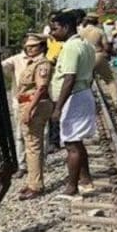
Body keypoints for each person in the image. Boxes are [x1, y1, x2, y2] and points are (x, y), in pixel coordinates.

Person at [51, 10, 97, 199]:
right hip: (83, 94)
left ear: (66, 27)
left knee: (71, 145)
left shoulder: (71, 47)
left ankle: (71, 188)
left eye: (55, 28)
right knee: (77, 141)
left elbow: (69, 78)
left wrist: (58, 107)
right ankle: (86, 180)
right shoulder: (86, 45)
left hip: (74, 97)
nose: (52, 33)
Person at [15, 34, 55, 200]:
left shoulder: (42, 64)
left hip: (34, 105)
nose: (30, 49)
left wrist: (29, 109)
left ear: (42, 46)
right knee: (31, 145)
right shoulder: (33, 63)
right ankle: (32, 181)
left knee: (33, 146)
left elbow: (41, 88)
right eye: (27, 46)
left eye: (34, 46)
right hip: (30, 104)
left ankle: (36, 185)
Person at [44, 22, 64, 150]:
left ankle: (54, 141)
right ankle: (54, 140)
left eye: (54, 30)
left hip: (57, 83)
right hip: (52, 82)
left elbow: (52, 61)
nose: (52, 33)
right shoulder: (51, 43)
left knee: (55, 112)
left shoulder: (61, 45)